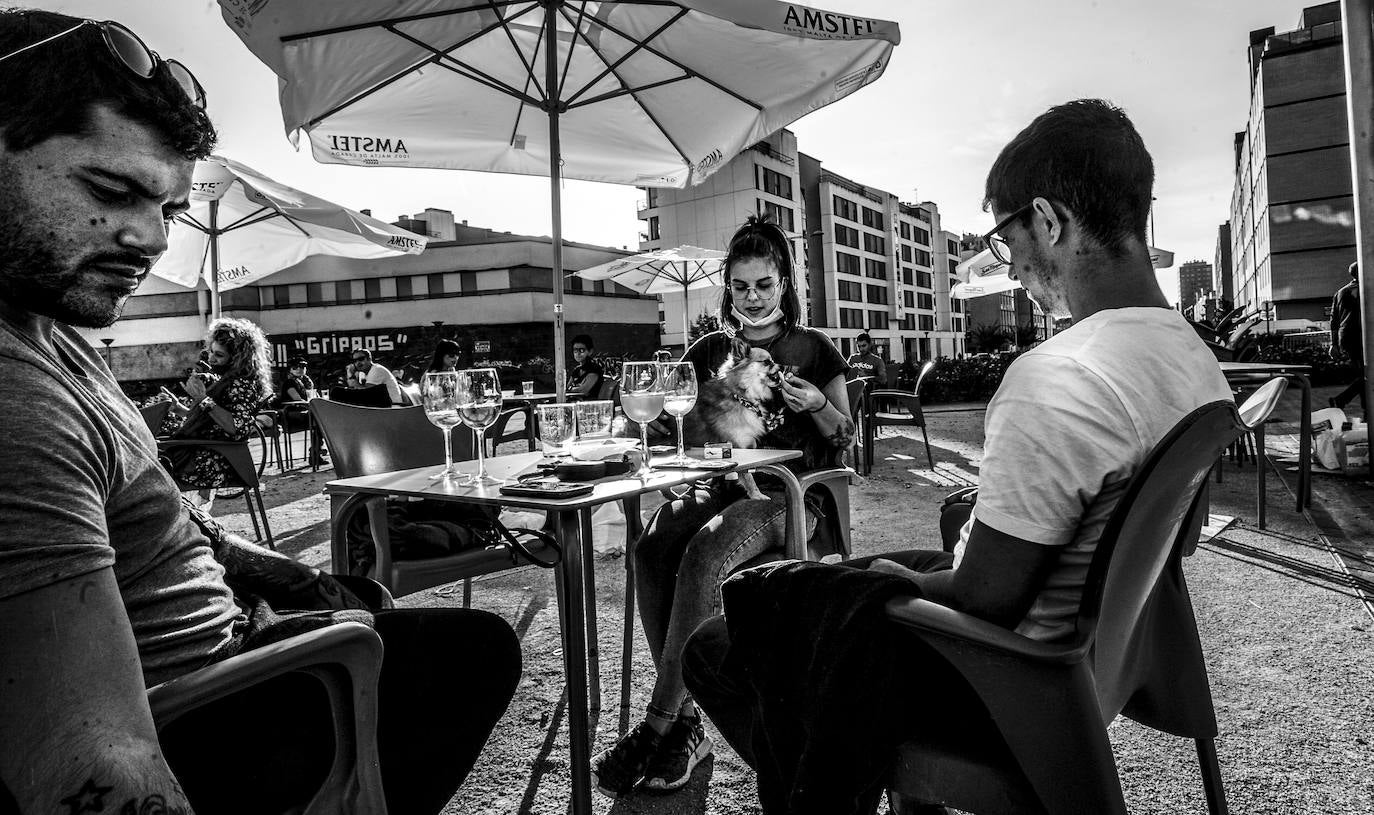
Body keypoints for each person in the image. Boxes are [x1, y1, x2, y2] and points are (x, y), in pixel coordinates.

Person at [0, 10, 519, 814]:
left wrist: (288, 572)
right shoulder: (17, 402)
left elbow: (177, 517)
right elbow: (91, 760)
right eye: (110, 190)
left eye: (170, 211)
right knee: (472, 653)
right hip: (207, 705)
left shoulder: (53, 331)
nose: (148, 239)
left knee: (397, 618)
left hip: (237, 647)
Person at [681, 100, 1235, 814]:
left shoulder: (1058, 379)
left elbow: (982, 597)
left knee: (724, 642)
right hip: (1085, 658)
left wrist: (878, 580)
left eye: (1006, 240)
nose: (1011, 265)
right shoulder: (1193, 359)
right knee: (850, 578)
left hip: (1005, 681)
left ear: (1049, 220)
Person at [591, 214, 853, 798]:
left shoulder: (814, 349)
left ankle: (661, 720)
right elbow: (674, 420)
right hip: (721, 486)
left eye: (763, 284)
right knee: (657, 541)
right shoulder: (710, 349)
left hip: (792, 493)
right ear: (727, 289)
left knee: (708, 548)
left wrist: (816, 405)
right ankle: (686, 726)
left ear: (784, 281)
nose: (752, 297)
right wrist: (645, 418)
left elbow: (845, 443)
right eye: (740, 286)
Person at [159, 317, 274, 502]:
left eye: (219, 355)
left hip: (213, 462)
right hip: (203, 454)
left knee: (146, 473)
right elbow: (209, 422)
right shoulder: (226, 380)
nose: (211, 358)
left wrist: (203, 399)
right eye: (211, 351)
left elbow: (238, 428)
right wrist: (177, 408)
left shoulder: (242, 384)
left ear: (237, 358)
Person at [277, 357, 326, 466]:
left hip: (303, 413)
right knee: (318, 418)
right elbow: (297, 399)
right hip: (291, 415)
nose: (299, 369)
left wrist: (311, 387)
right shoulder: (289, 382)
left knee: (320, 418)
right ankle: (316, 451)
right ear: (290, 369)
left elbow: (312, 397)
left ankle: (316, 451)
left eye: (302, 366)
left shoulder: (303, 382)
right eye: (295, 367)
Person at [1329, 261, 1364, 410]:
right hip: (1362, 336)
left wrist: (1334, 344)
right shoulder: (1367, 288)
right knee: (1367, 375)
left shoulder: (1340, 292)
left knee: (1363, 374)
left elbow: (1333, 321)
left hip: (1346, 337)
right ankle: (1342, 400)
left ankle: (1367, 413)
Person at [568, 333, 604, 398]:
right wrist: (573, 389)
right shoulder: (576, 370)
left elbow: (583, 390)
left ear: (590, 351)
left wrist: (572, 388)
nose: (578, 353)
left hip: (591, 404)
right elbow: (566, 388)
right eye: (575, 350)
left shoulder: (594, 368)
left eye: (581, 350)